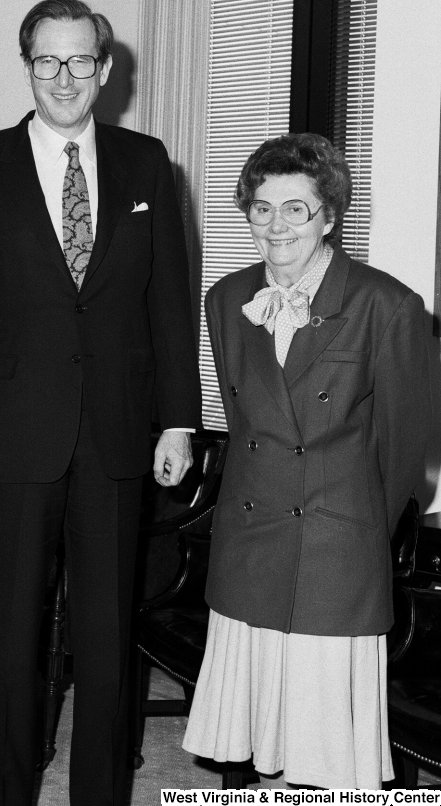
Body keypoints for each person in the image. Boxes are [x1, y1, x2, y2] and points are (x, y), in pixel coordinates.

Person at [0, 0, 201, 806]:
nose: (63, 77)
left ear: (105, 68)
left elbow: (168, 299)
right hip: (16, 435)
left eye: (80, 60)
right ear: (26, 66)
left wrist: (179, 416)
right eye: (47, 61)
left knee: (107, 632)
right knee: (12, 634)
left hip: (120, 431)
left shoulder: (147, 161)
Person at [183, 132, 431, 789]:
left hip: (336, 547)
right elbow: (248, 426)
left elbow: (404, 451)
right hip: (251, 538)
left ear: (328, 213)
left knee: (326, 757)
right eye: (262, 207)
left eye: (296, 208)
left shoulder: (389, 305)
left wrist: (354, 536)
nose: (276, 224)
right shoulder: (225, 299)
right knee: (256, 732)